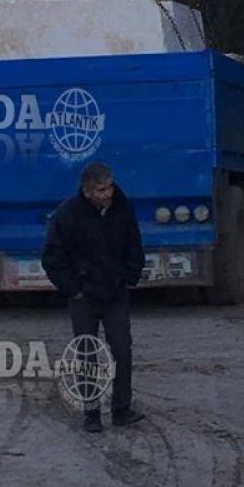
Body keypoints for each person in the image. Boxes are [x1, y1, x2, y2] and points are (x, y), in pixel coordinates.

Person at [41, 161, 145, 433]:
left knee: (122, 349)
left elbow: (134, 245)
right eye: (100, 190)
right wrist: (72, 289)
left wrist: (129, 276)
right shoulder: (68, 215)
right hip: (83, 297)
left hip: (114, 294)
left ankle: (122, 409)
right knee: (87, 353)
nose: (107, 193)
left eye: (109, 187)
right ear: (87, 191)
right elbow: (52, 258)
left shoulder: (123, 209)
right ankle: (91, 413)